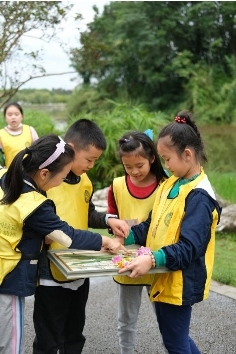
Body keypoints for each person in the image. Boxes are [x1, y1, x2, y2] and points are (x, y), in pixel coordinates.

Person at [0, 134, 125, 354]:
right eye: (63, 175)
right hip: (9, 279)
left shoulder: (6, 176)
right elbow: (67, 237)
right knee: (10, 346)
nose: (62, 181)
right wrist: (104, 240)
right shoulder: (35, 203)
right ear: (45, 173)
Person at [119, 111, 222, 354]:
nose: (165, 166)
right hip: (164, 276)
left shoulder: (200, 197)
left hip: (179, 282)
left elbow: (190, 247)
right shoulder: (170, 184)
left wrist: (153, 258)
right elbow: (151, 226)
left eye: (167, 159)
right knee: (176, 339)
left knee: (175, 343)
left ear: (187, 155)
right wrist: (127, 235)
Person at [33, 119, 130, 354]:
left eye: (95, 160)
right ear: (71, 149)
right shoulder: (46, 181)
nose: (92, 166)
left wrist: (108, 220)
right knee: (48, 338)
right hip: (50, 272)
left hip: (80, 269)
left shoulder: (85, 181)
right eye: (89, 159)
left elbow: (86, 213)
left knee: (74, 335)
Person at [107, 131, 168, 354]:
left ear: (152, 158)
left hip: (157, 262)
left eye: (139, 165)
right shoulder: (117, 186)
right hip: (126, 262)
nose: (134, 171)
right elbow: (111, 217)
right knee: (126, 320)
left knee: (166, 321)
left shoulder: (166, 185)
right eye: (128, 166)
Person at [0, 101, 39, 167]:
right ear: (5, 117)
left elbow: (39, 151)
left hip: (29, 172)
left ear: (22, 116)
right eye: (9, 115)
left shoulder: (30, 130)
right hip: (10, 173)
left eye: (16, 114)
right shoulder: (1, 134)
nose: (13, 117)